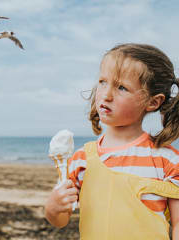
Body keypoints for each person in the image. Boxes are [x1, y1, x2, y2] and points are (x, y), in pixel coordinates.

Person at [45, 43, 179, 240]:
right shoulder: (81, 159)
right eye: (102, 82)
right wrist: (53, 208)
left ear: (153, 102)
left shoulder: (167, 160)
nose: (106, 95)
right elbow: (61, 220)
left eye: (122, 87)